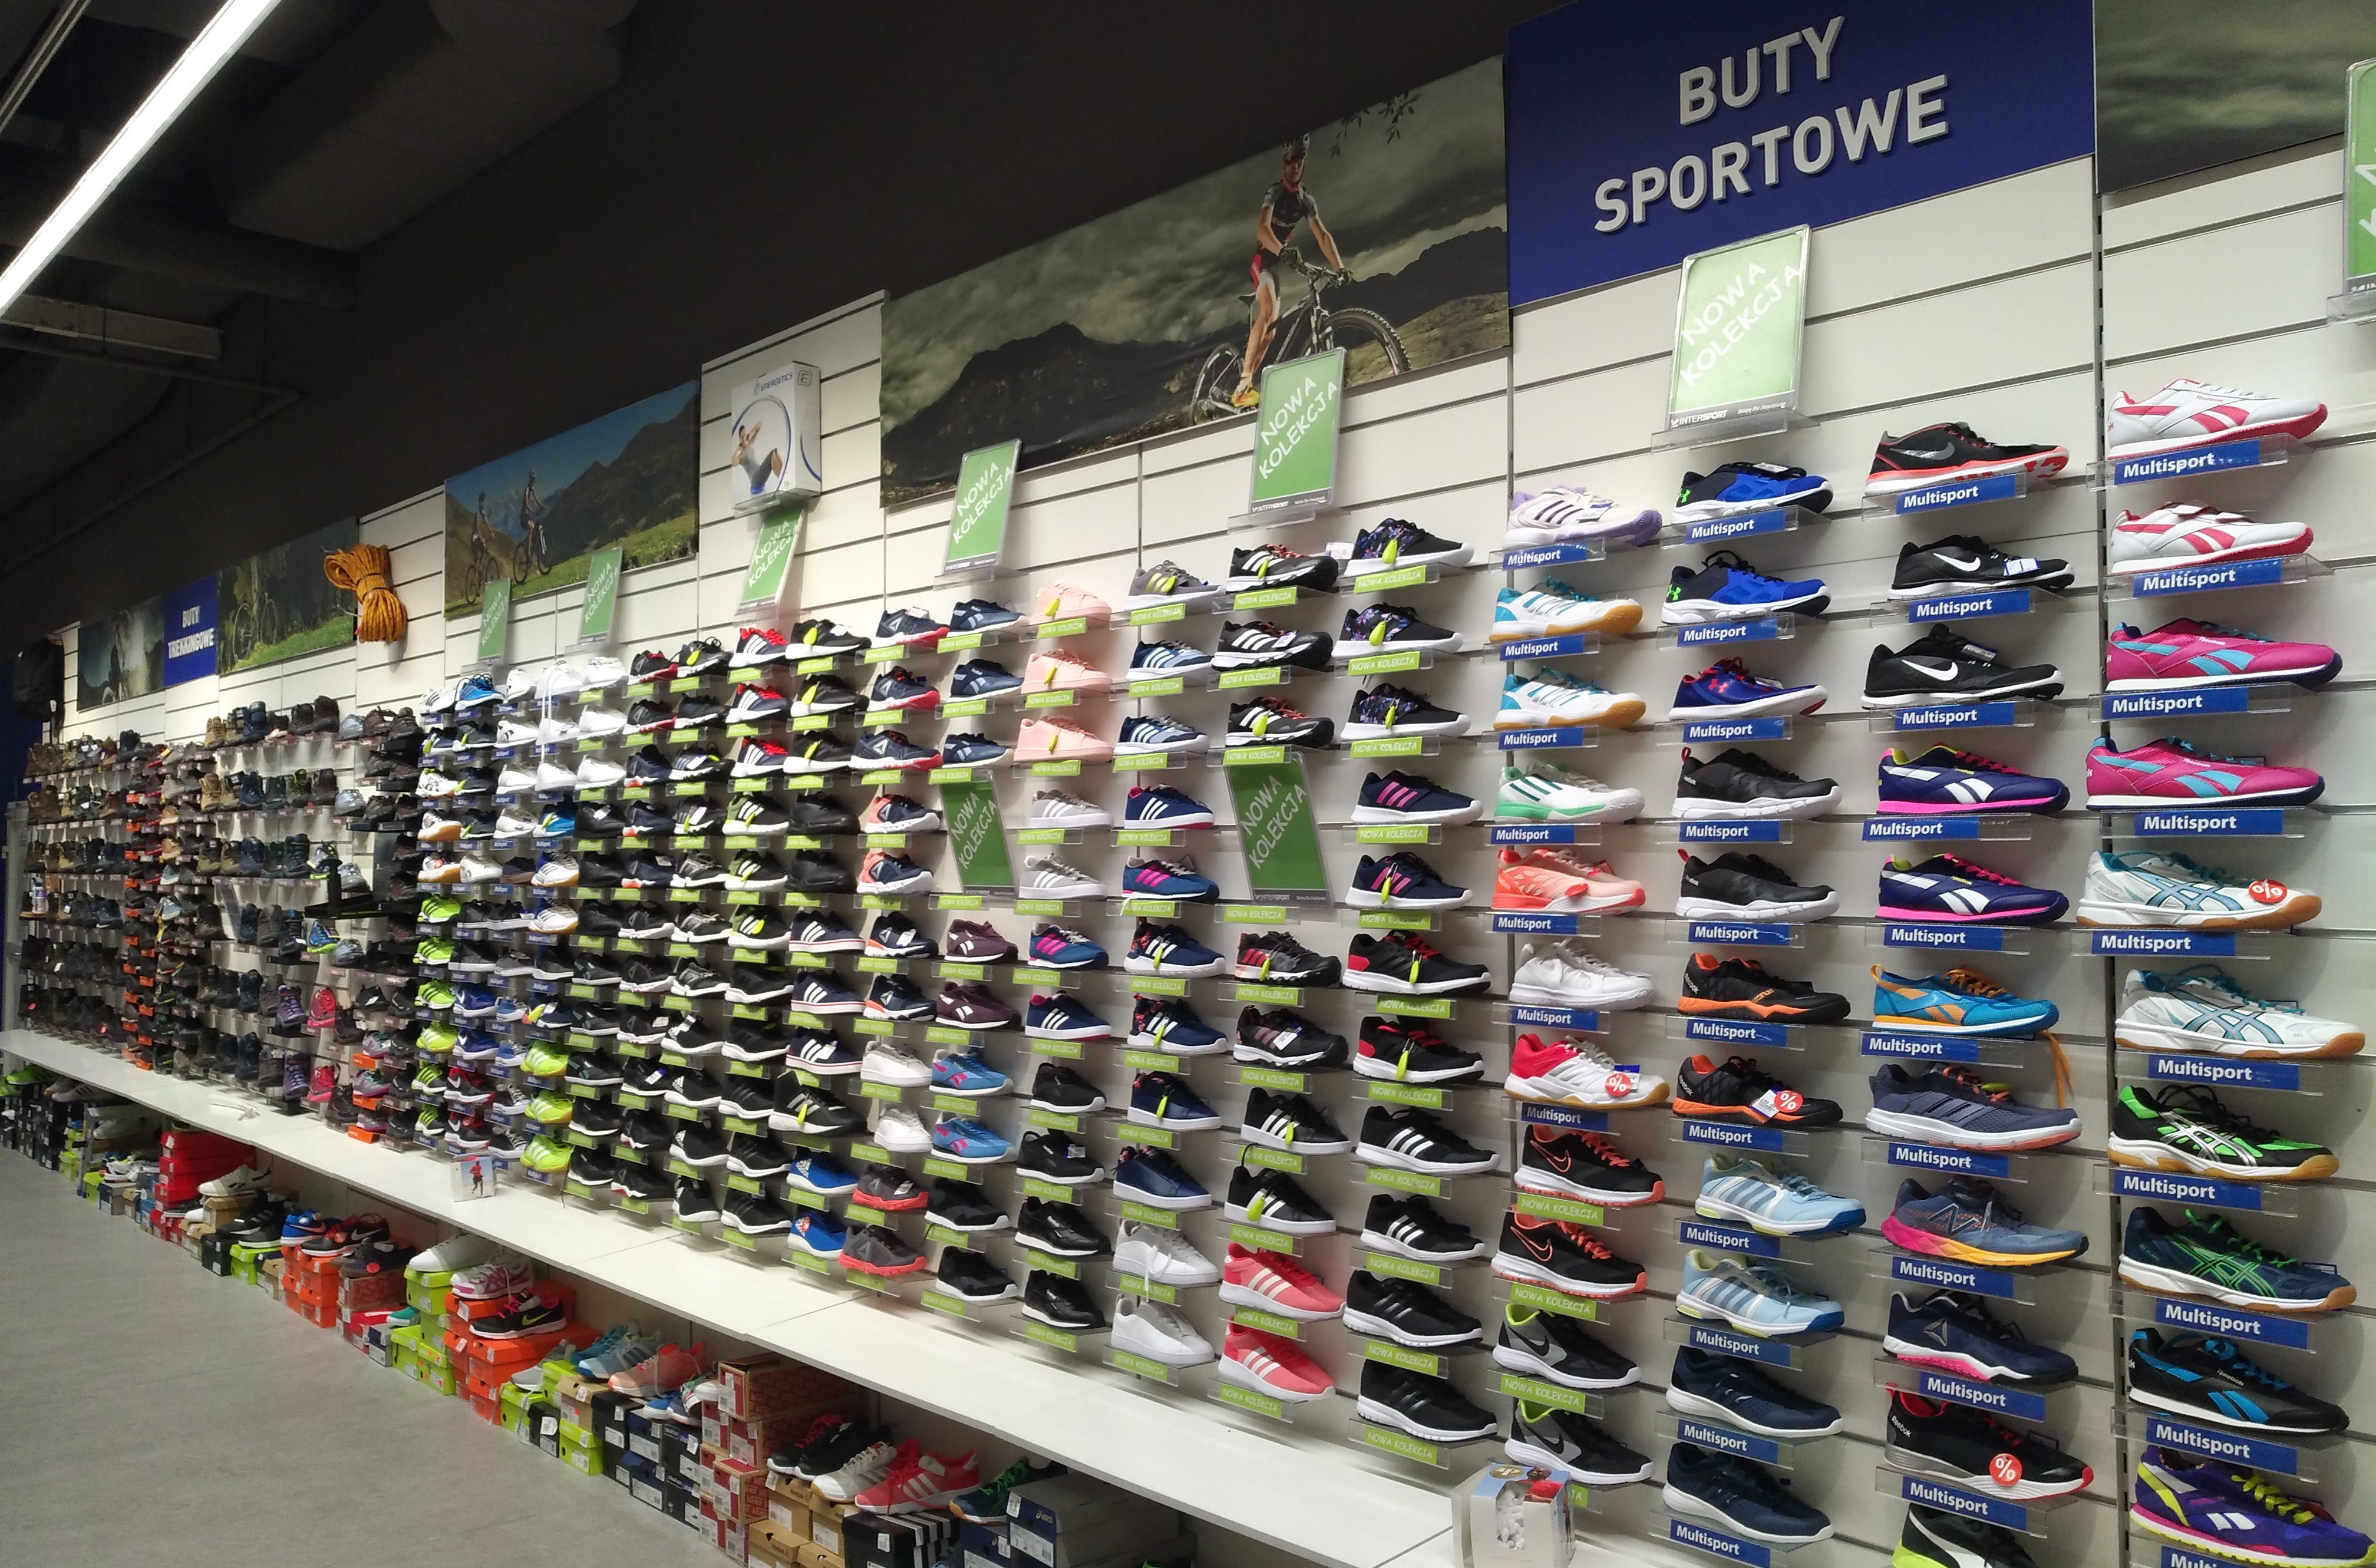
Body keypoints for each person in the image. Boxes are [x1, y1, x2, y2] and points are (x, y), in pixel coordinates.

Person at [1233, 134, 1346, 410]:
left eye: (1299, 160)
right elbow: (1262, 229)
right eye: (1290, 160)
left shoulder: (1306, 200)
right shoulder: (1275, 193)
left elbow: (1322, 236)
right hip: (1262, 261)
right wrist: (1282, 251)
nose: (1295, 166)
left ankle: (1249, 382)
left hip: (1276, 264)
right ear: (1284, 164)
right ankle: (1243, 385)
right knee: (1267, 313)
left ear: (1304, 162)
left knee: (1271, 333)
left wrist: (1340, 268)